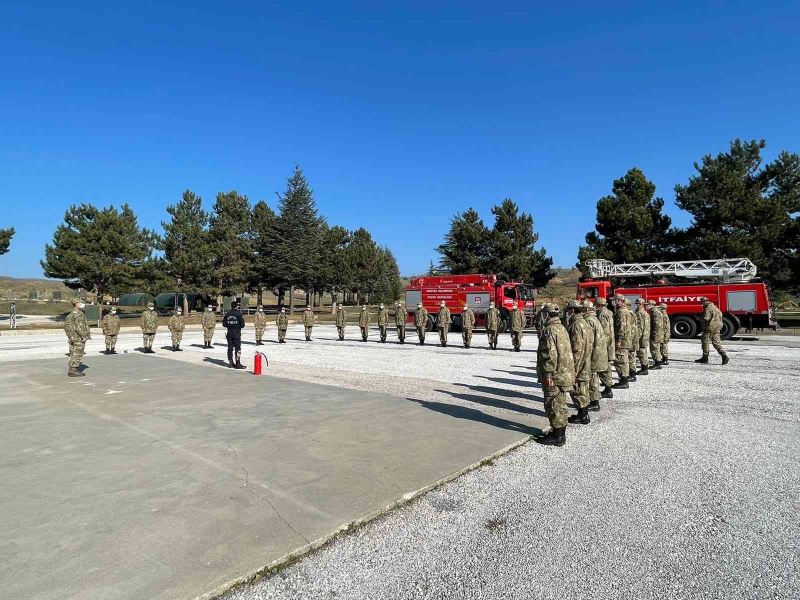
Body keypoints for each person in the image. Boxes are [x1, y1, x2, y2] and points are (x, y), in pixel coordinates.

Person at [535, 303, 575, 447]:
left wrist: (548, 374)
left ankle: (558, 437)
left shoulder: (549, 330)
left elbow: (549, 355)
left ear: (546, 314)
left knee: (552, 404)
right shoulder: (562, 328)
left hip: (555, 374)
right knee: (560, 404)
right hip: (564, 372)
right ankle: (559, 432)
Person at [565, 300, 592, 425]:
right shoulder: (585, 323)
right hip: (586, 359)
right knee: (583, 388)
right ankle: (583, 413)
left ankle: (583, 414)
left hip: (579, 361)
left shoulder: (576, 325)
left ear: (571, 310)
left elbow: (576, 348)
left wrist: (572, 367)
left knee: (578, 388)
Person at [583, 299, 608, 411]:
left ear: (587, 309)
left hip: (594, 354)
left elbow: (589, 340)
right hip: (599, 352)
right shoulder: (594, 318)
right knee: (594, 377)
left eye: (583, 308)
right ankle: (594, 400)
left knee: (592, 378)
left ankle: (594, 401)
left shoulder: (588, 320)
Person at [697, 297, 729, 364]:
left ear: (705, 301)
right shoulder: (715, 307)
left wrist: (699, 318)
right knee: (716, 343)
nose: (701, 304)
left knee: (705, 342)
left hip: (709, 328)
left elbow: (706, 318)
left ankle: (705, 358)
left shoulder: (708, 308)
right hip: (717, 328)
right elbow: (721, 315)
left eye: (702, 302)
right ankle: (724, 356)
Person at [612, 295, 634, 389]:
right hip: (626, 339)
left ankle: (624, 380)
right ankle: (624, 379)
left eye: (616, 300)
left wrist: (619, 340)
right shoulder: (625, 311)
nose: (614, 302)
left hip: (623, 340)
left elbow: (622, 326)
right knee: (624, 359)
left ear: (620, 300)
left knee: (621, 360)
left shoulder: (621, 312)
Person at [64, 298, 90, 377]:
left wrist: (70, 336)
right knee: (78, 353)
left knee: (73, 353)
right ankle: (73, 371)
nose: (82, 304)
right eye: (81, 302)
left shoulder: (70, 314)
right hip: (78, 338)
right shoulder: (78, 314)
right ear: (77, 304)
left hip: (72, 337)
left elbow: (66, 327)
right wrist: (84, 336)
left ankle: (72, 369)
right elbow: (80, 327)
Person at [595, 297, 615, 398]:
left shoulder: (602, 314)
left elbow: (604, 331)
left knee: (604, 367)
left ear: (599, 305)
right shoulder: (609, 312)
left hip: (605, 344)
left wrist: (600, 345)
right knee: (607, 367)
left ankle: (608, 390)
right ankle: (608, 388)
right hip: (609, 343)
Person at [223, 301, 246, 368]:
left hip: (229, 333)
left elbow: (224, 324)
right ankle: (238, 363)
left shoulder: (227, 314)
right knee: (238, 349)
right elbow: (242, 325)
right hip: (236, 334)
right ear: (237, 306)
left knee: (230, 349)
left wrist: (230, 325)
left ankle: (230, 362)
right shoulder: (239, 314)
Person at [635, 299, 651, 375]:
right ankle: (645, 367)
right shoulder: (646, 313)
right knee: (643, 351)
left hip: (641, 336)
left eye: (637, 303)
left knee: (641, 352)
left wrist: (637, 337)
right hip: (646, 334)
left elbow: (639, 326)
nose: (637, 305)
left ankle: (644, 368)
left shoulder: (639, 313)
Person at [625, 298, 639, 382]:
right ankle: (632, 373)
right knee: (631, 356)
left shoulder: (629, 314)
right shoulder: (631, 313)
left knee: (631, 357)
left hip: (631, 338)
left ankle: (632, 374)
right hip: (632, 338)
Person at [648, 300, 663, 369]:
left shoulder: (655, 312)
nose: (647, 306)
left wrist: (653, 332)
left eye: (648, 304)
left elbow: (657, 324)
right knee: (655, 348)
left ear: (652, 305)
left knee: (654, 348)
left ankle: (657, 363)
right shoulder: (654, 311)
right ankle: (658, 362)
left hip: (655, 333)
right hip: (656, 332)